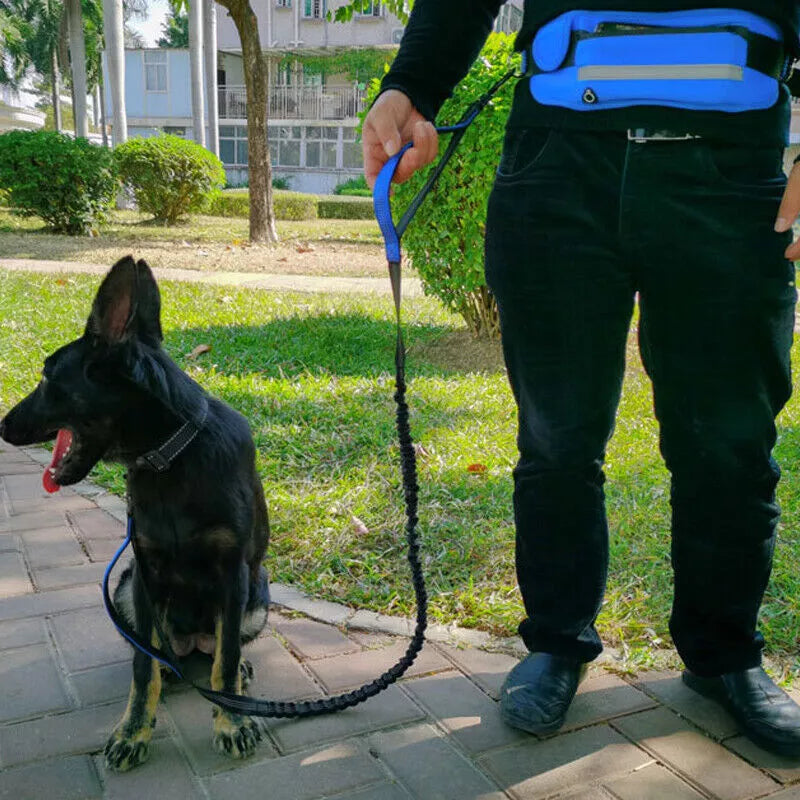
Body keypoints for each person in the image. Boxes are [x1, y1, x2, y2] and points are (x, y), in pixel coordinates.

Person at [362, 0, 800, 757]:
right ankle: (557, 642)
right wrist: (412, 87)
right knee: (557, 436)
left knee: (728, 440)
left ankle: (725, 653)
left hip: (734, 181)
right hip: (557, 172)